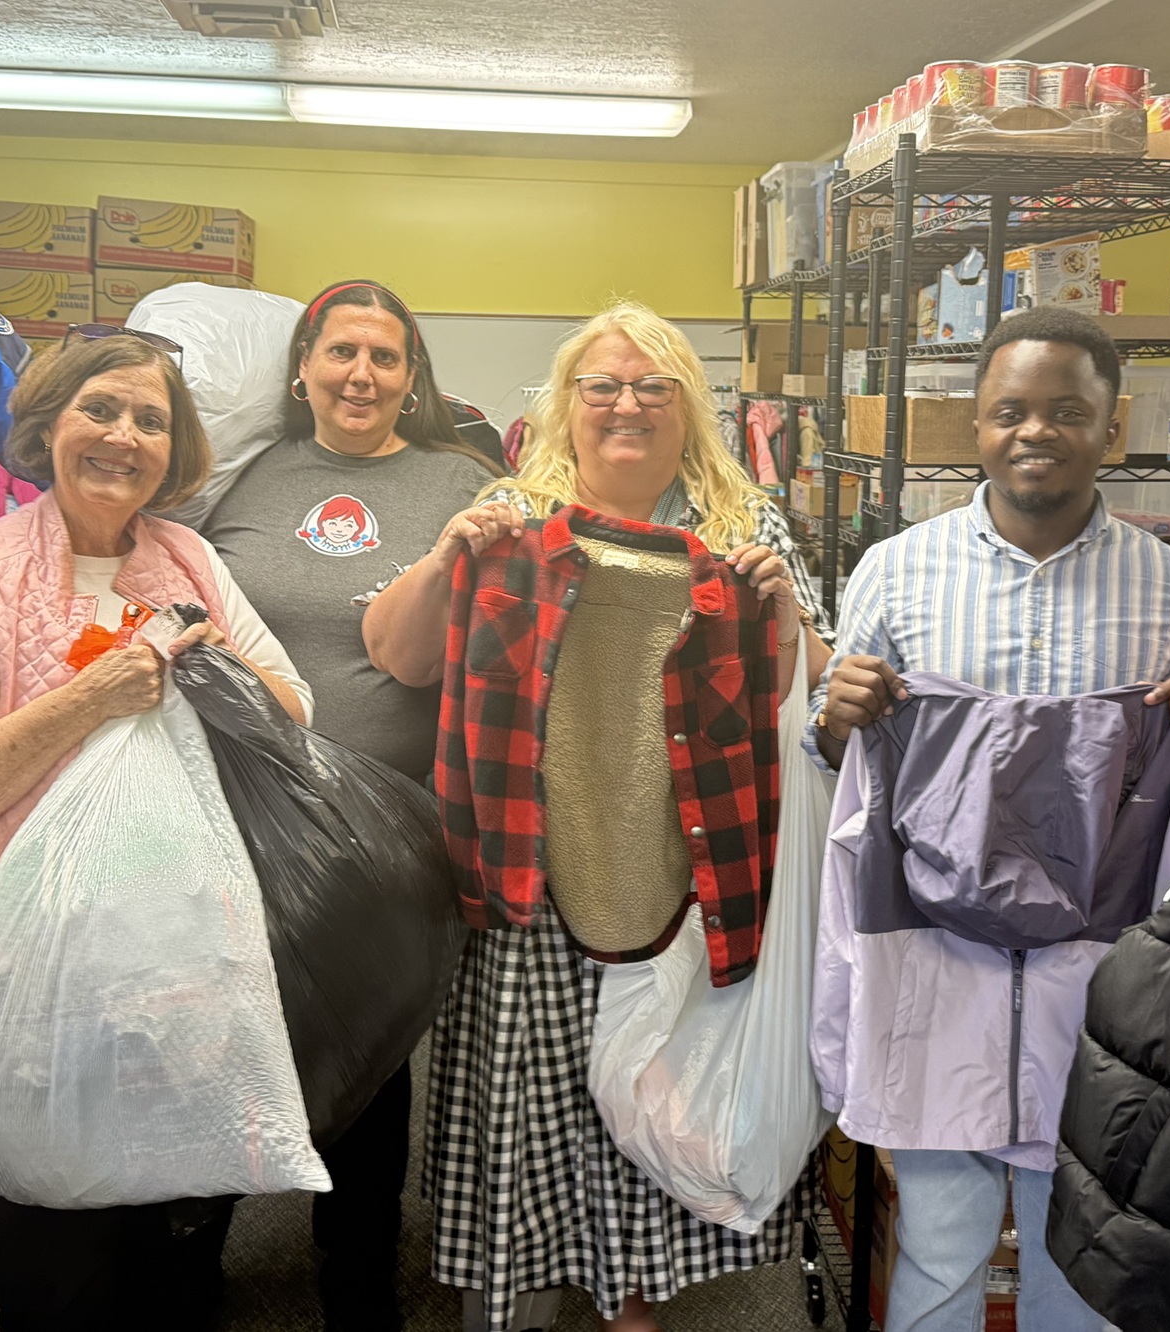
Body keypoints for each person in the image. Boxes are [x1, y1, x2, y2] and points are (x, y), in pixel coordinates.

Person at [360, 300, 829, 1332]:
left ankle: (634, 1299)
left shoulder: (744, 528)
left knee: (658, 1096)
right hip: (531, 871)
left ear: (687, 406)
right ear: (566, 404)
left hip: (687, 878)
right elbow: (397, 654)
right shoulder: (508, 518)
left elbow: (821, 696)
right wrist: (445, 558)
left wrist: (788, 619)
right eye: (603, 386)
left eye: (654, 386)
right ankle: (527, 1283)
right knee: (533, 1102)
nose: (627, 405)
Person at [812, 306, 1170, 1332]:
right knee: (938, 1243)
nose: (1035, 431)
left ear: (1112, 428)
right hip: (936, 967)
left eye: (1067, 411)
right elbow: (839, 764)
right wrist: (835, 719)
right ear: (976, 424)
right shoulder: (898, 573)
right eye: (1009, 410)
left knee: (1080, 1250)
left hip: (1099, 978)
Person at [0, 329, 313, 1332]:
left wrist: (213, 671)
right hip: (26, 991)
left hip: (178, 985)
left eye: (151, 420)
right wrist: (89, 697)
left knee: (177, 1269)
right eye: (100, 410)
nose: (124, 437)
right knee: (56, 1275)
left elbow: (293, 708)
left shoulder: (188, 560)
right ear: (47, 427)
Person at [196, 279, 498, 1332]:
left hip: (393, 837)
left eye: (385, 357)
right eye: (341, 353)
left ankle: (359, 1277)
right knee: (230, 1038)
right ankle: (198, 1247)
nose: (361, 375)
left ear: (412, 378)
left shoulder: (461, 482)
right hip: (240, 819)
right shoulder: (242, 476)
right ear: (303, 368)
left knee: (369, 1052)